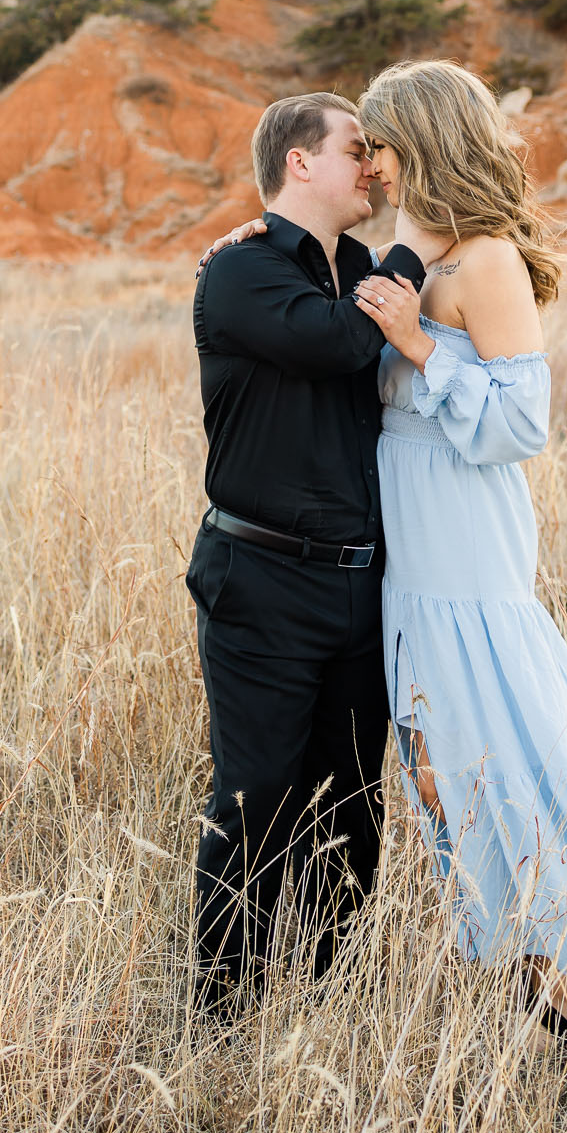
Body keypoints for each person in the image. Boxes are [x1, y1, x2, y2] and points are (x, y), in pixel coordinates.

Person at [204, 60, 567, 1043]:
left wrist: (421, 348)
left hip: (466, 547)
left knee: (524, 760)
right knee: (448, 776)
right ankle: (546, 980)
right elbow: (316, 317)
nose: (372, 167)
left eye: (381, 146)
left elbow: (523, 425)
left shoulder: (485, 260)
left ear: (421, 142)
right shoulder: (393, 259)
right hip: (402, 562)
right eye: (361, 151)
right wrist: (253, 239)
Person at [187, 90, 445, 1009]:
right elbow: (337, 343)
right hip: (260, 577)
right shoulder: (241, 272)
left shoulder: (361, 267)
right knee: (255, 798)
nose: (371, 165)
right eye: (355, 148)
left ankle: (330, 996)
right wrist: (417, 239)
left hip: (360, 584)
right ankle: (224, 1015)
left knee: (350, 803)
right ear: (300, 162)